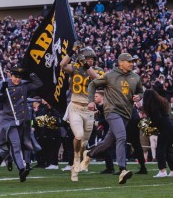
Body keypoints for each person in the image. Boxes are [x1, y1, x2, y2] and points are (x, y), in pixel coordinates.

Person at [82, 53, 144, 184]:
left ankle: (89, 154)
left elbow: (140, 91)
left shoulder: (136, 77)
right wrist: (90, 101)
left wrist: (139, 96)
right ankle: (122, 170)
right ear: (121, 62)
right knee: (122, 137)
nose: (132, 63)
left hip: (126, 113)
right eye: (129, 61)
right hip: (112, 111)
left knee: (108, 142)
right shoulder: (109, 75)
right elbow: (92, 85)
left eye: (133, 62)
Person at [0, 66, 42, 182]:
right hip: (9, 121)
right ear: (10, 76)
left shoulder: (23, 85)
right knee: (15, 144)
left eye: (19, 77)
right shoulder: (5, 85)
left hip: (22, 121)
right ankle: (21, 170)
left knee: (19, 145)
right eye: (15, 77)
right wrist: (3, 90)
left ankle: (0, 158)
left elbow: (38, 84)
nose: (17, 79)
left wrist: (30, 72)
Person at [60, 45, 102, 181]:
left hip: (88, 110)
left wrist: (85, 64)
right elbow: (62, 64)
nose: (90, 61)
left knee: (84, 143)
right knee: (78, 136)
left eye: (91, 59)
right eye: (87, 58)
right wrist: (72, 51)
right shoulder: (75, 68)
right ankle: (76, 160)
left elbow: (96, 78)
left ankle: (76, 163)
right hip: (75, 106)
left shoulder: (96, 70)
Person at [141, 89, 173, 177]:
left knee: (160, 150)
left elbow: (157, 119)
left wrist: (149, 125)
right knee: (168, 149)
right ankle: (172, 170)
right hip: (169, 126)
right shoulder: (160, 103)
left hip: (165, 129)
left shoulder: (153, 107)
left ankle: (162, 171)